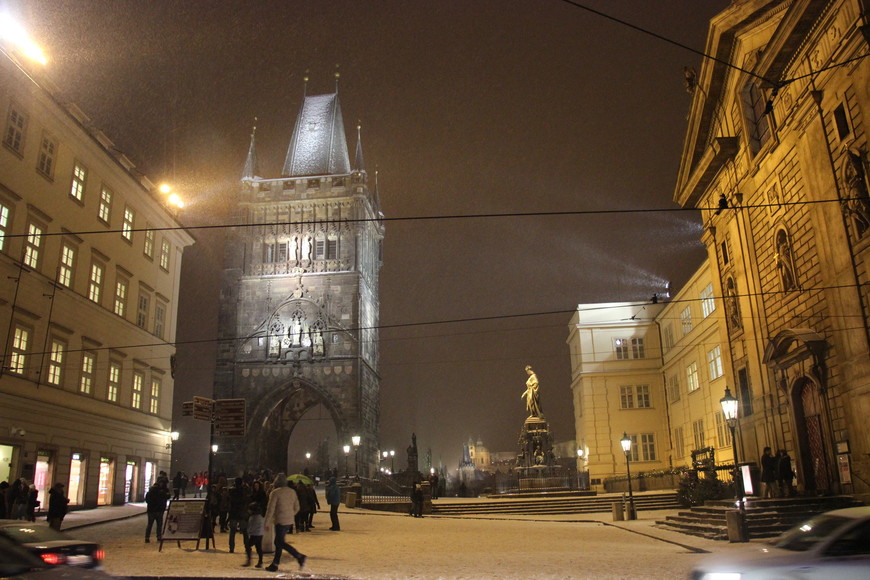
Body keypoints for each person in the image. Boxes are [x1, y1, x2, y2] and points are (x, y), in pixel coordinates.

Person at [264, 473, 306, 572]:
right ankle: (275, 564)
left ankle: (299, 556)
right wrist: (291, 514)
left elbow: (270, 509)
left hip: (280, 520)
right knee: (279, 542)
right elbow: (297, 507)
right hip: (289, 521)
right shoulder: (292, 492)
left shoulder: (275, 493)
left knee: (279, 542)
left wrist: (266, 522)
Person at [227, 477, 250, 554]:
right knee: (244, 531)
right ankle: (247, 547)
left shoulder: (231, 491)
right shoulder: (244, 491)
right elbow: (246, 500)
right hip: (242, 513)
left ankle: (231, 548)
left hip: (233, 513)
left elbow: (230, 501)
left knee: (232, 531)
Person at [243, 501, 264, 568]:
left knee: (248, 546)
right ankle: (260, 561)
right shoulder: (260, 517)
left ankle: (249, 560)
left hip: (255, 534)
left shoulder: (253, 518)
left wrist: (248, 531)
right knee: (259, 548)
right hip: (260, 534)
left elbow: (251, 527)